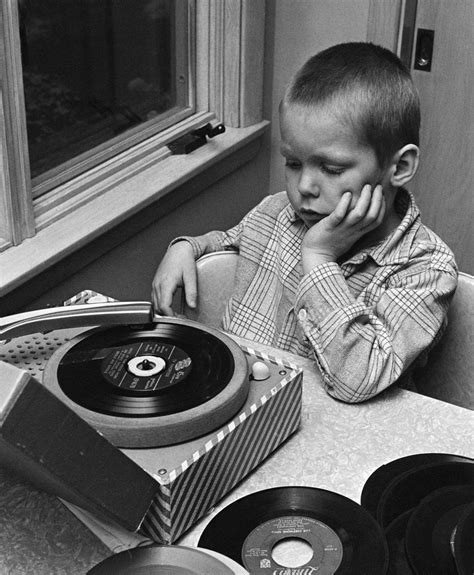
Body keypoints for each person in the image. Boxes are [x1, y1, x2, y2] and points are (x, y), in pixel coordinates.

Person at [152, 42, 457, 403]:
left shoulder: (425, 268)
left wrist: (319, 256)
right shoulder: (277, 212)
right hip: (239, 408)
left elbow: (357, 381)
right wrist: (185, 247)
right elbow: (229, 242)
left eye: (330, 168)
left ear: (399, 167)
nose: (304, 187)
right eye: (293, 163)